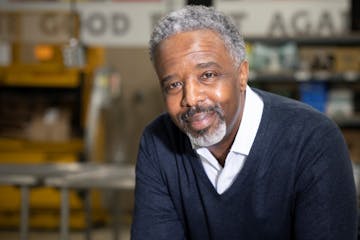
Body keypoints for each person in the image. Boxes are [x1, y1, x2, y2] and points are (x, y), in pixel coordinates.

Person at [131, 5, 357, 240]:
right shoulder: (158, 143)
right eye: (173, 85)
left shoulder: (313, 140)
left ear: (242, 75)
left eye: (207, 75)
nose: (191, 98)